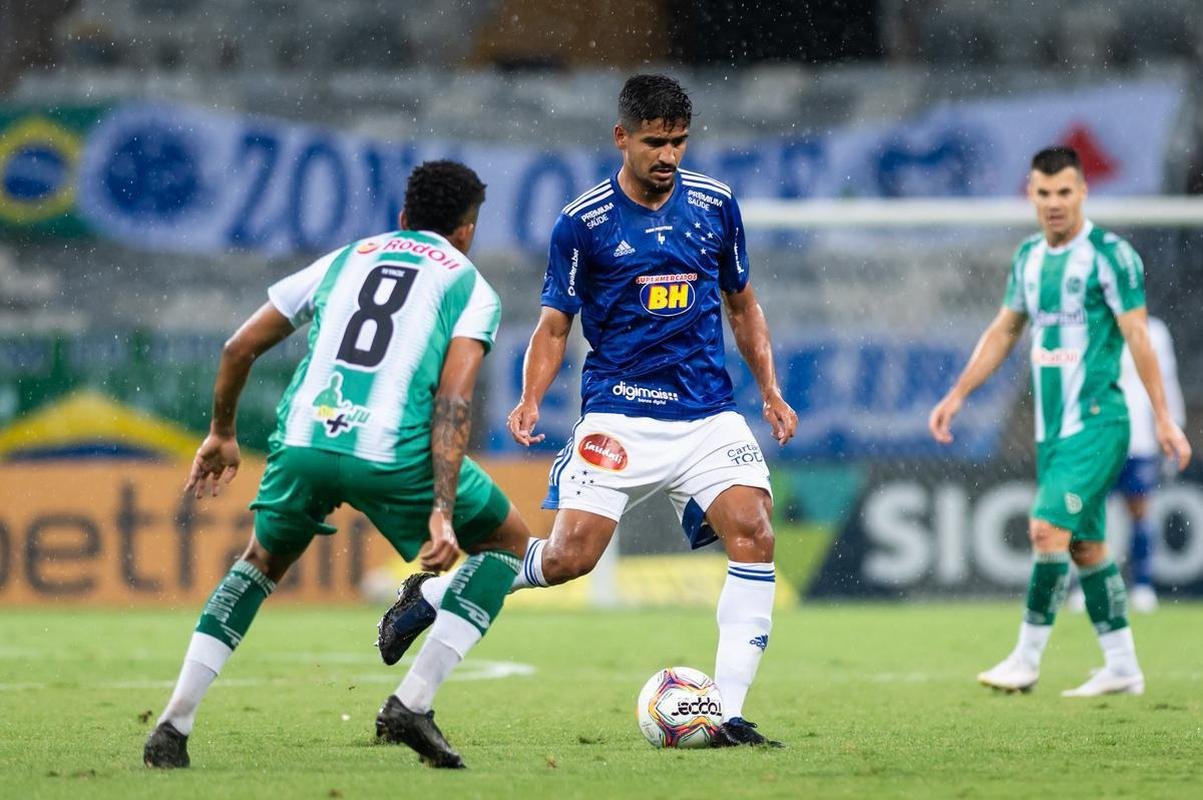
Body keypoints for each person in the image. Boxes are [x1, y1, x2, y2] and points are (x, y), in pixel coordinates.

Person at [377, 74, 796, 747]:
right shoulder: (583, 222)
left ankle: (725, 713)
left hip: (707, 415)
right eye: (655, 142)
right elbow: (553, 326)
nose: (668, 155)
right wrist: (530, 397)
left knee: (754, 532)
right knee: (570, 559)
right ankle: (430, 594)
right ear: (621, 138)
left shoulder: (717, 206)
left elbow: (742, 306)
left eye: (678, 142)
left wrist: (769, 391)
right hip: (619, 415)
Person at [144, 160, 532, 770]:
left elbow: (238, 346)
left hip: (302, 440)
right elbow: (454, 400)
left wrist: (221, 431)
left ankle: (174, 721)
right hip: (390, 450)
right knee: (508, 542)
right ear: (466, 231)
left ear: (403, 218)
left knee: (258, 564)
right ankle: (414, 702)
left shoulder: (346, 257)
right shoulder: (471, 285)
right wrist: (440, 513)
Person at [928, 146, 1192, 698]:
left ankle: (1026, 659)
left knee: (1046, 529)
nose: (1053, 203)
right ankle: (1122, 664)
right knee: (1085, 546)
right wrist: (958, 394)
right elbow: (1003, 330)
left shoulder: (1110, 255)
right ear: (1031, 194)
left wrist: (1165, 420)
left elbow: (1139, 337)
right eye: (1043, 193)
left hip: (1099, 421)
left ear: (1082, 193)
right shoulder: (1028, 257)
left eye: (1064, 192)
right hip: (1053, 431)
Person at [1067, 316, 1186, 614]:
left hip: (1138, 439)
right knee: (1091, 514)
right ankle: (1086, 586)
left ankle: (1143, 586)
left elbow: (1165, 382)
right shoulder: (1088, 326)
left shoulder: (1154, 331)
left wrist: (1173, 426)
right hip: (1097, 440)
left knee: (1140, 511)